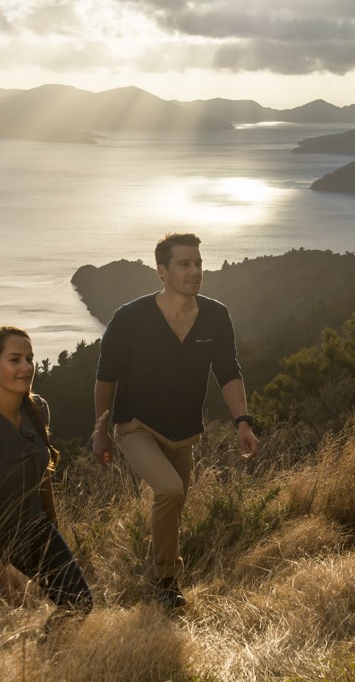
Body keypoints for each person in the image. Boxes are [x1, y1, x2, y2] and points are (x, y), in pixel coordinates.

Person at [92, 232, 259, 608]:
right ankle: (167, 583)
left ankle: (151, 578)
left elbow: (228, 371)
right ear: (162, 271)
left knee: (174, 505)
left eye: (198, 263)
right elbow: (106, 376)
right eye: (184, 264)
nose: (195, 271)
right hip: (135, 425)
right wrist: (100, 431)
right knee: (169, 491)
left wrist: (243, 423)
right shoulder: (131, 318)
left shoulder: (216, 316)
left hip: (185, 432)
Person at [0, 325, 92, 642]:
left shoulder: (38, 409)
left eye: (30, 358)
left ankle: (44, 663)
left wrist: (54, 533)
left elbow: (43, 476)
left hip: (28, 526)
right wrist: (0, 575)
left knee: (79, 602)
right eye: (15, 360)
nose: (27, 367)